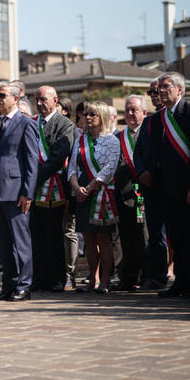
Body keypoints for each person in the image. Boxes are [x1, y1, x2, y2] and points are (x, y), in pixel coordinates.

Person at [0, 81, 39, 301]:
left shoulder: (26, 123)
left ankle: (24, 285)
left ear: (15, 98)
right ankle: (8, 285)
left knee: (20, 242)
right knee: (4, 243)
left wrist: (28, 192)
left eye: (2, 96)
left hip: (16, 192)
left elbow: (32, 162)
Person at [69, 101, 120, 294]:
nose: (88, 117)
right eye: (86, 114)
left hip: (101, 194)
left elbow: (109, 169)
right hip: (82, 193)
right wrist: (76, 187)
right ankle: (93, 279)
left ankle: (105, 281)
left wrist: (89, 188)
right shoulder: (81, 140)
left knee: (102, 238)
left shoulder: (112, 141)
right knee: (88, 238)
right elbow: (72, 167)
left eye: (92, 114)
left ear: (102, 117)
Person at [30, 86, 74, 292]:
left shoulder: (64, 124)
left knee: (54, 235)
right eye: (37, 100)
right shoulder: (32, 123)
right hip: (33, 189)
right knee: (36, 235)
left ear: (55, 100)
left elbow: (58, 156)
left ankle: (57, 278)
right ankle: (40, 277)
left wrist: (34, 177)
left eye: (44, 99)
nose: (40, 103)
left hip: (54, 187)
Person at [151, 72, 190, 298]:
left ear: (180, 89)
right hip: (167, 189)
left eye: (166, 87)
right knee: (175, 238)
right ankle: (181, 283)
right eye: (159, 88)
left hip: (186, 188)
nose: (161, 91)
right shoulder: (159, 119)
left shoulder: (188, 112)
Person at [134, 79, 168, 290]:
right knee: (155, 234)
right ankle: (158, 276)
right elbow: (139, 152)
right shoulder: (148, 122)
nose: (154, 94)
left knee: (177, 234)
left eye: (157, 90)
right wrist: (142, 171)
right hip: (151, 186)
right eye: (151, 92)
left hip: (172, 184)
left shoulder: (179, 117)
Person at [113, 95, 148, 291]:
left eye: (134, 109)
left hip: (144, 194)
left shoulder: (149, 133)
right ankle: (128, 276)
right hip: (124, 196)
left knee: (145, 237)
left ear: (144, 112)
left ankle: (148, 274)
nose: (130, 114)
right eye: (127, 110)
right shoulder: (118, 137)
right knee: (127, 237)